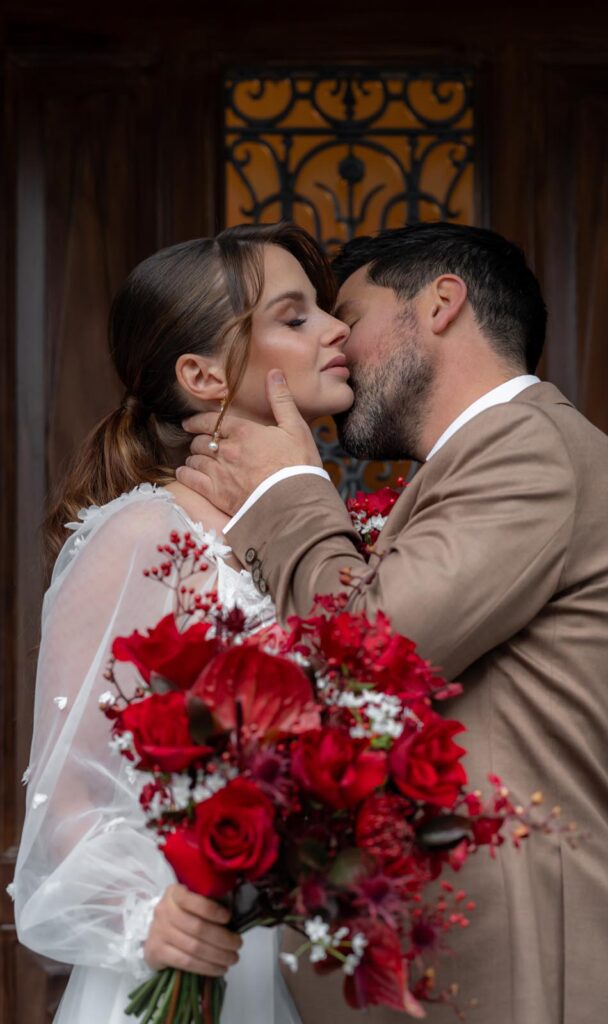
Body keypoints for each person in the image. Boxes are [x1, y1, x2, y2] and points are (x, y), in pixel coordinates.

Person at [178, 222, 608, 1024]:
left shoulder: (528, 444)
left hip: (534, 972)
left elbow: (366, 650)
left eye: (348, 314)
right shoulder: (469, 466)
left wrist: (286, 489)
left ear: (440, 302)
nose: (334, 340)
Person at [11, 222, 352, 1024]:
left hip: (303, 950)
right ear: (201, 375)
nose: (337, 329)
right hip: (187, 951)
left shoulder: (322, 526)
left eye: (323, 309)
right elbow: (68, 796)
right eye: (295, 316)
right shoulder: (141, 535)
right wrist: (148, 914)